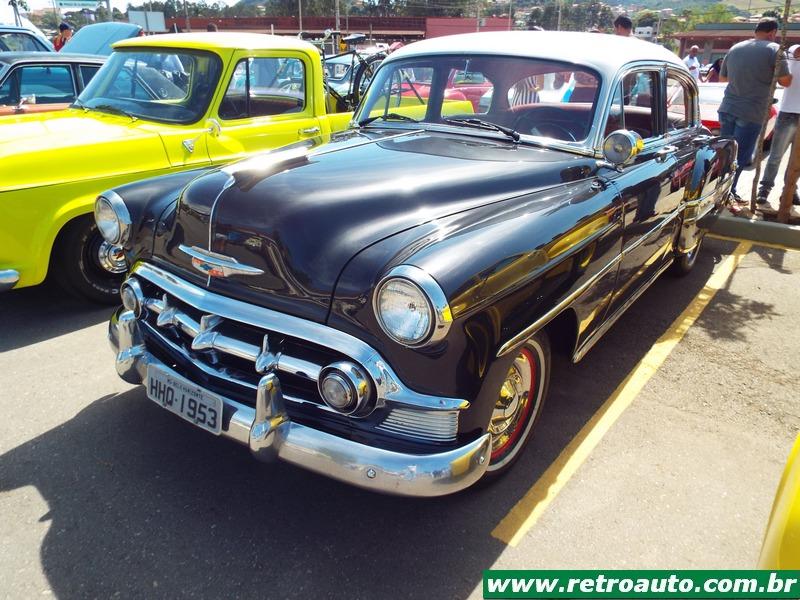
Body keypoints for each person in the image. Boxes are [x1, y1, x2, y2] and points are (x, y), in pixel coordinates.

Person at [719, 17, 792, 200]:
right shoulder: (775, 50)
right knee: (740, 155)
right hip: (751, 111)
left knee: (725, 153)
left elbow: (723, 78)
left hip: (728, 107)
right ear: (773, 32)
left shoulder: (736, 48)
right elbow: (786, 81)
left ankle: (719, 190)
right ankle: (728, 193)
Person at [758, 44, 800, 205]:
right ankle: (765, 189)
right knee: (776, 156)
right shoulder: (794, 50)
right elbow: (796, 52)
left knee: (797, 160)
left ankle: (790, 190)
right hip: (788, 113)